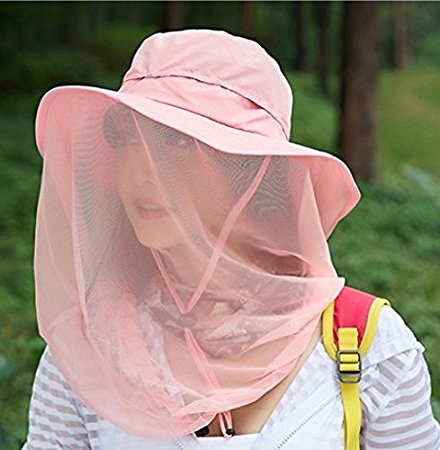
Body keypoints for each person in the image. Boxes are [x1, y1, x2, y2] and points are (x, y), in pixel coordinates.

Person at [21, 29, 439, 450]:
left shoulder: (367, 343)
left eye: (175, 141)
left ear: (251, 171)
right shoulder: (91, 349)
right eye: (125, 137)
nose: (141, 169)